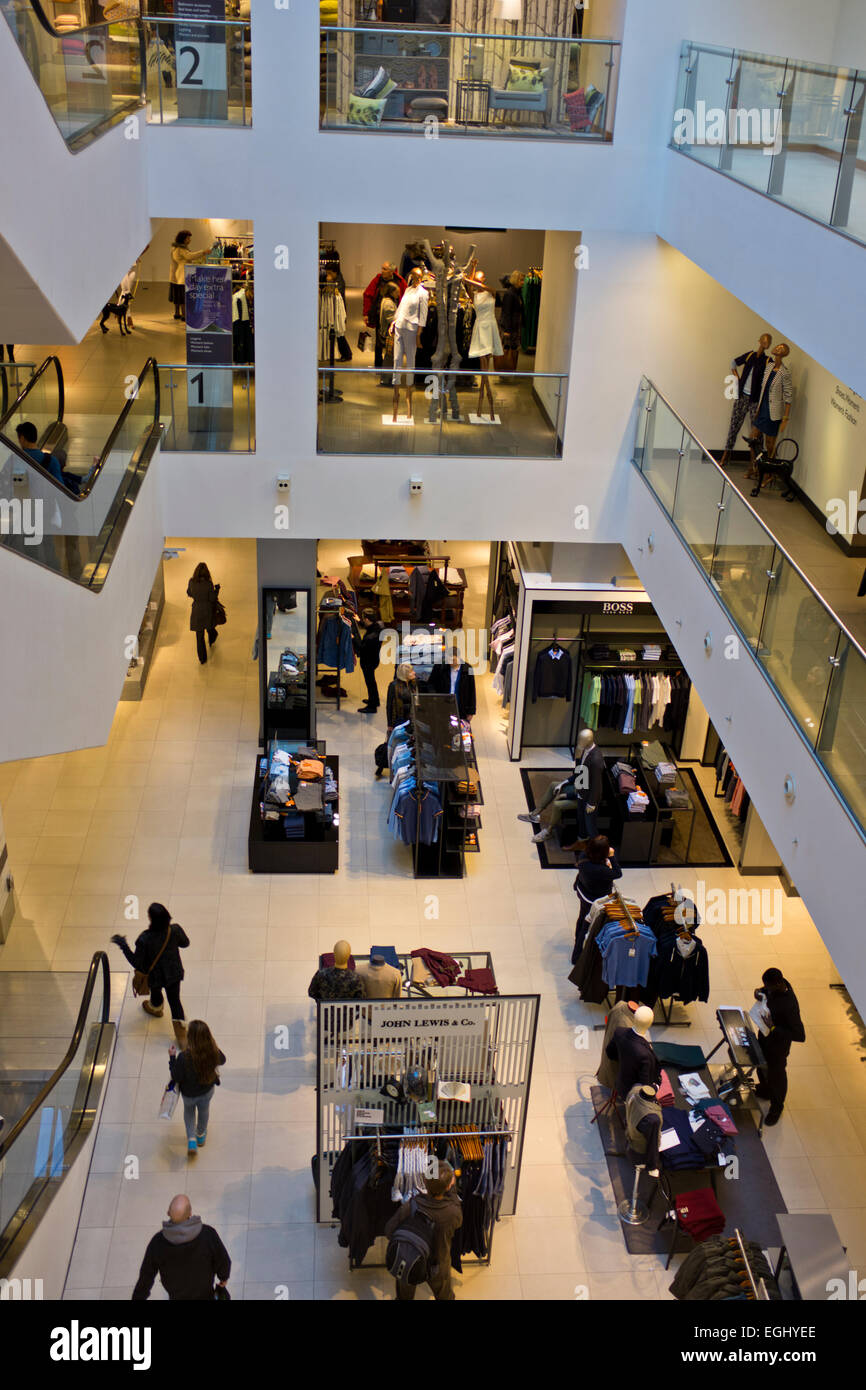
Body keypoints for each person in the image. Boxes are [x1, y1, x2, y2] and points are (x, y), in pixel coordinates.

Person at [385, 1160, 462, 1301]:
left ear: (425, 1183)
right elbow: (457, 1222)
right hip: (438, 1263)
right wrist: (452, 1189)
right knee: (444, 1296)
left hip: (409, 1257)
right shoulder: (452, 1212)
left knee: (404, 1296)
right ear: (449, 1186)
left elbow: (389, 1230)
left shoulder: (413, 1204)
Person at [110, 903, 189, 1042]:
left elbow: (138, 963)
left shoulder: (144, 939)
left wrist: (123, 945)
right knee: (175, 1001)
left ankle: (156, 1008)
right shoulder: (175, 930)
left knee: (156, 991)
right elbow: (185, 943)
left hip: (154, 976)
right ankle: (182, 1036)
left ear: (151, 919)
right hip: (173, 973)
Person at [132, 1194, 230, 1301]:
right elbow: (223, 1260)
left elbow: (145, 1278)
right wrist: (223, 1278)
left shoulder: (158, 1242)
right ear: (190, 1214)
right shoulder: (207, 1234)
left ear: (168, 1213)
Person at [753, 968, 805, 1125]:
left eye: (768, 987)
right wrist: (759, 991)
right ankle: (765, 1089)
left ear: (777, 984)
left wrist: (774, 1027)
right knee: (760, 1065)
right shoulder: (775, 987)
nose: (766, 989)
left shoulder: (790, 1005)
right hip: (765, 1036)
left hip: (777, 1046)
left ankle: (776, 1107)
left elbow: (799, 1036)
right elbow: (765, 992)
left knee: (777, 1076)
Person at [169, 1019, 226, 1157]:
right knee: (204, 1110)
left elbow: (176, 1076)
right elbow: (222, 1060)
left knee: (189, 1112)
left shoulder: (184, 1057)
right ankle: (200, 1134)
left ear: (190, 1038)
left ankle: (192, 1140)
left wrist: (172, 1058)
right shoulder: (212, 1052)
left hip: (188, 1094)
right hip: (206, 1091)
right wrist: (213, 1047)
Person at [720, 331, 772, 468]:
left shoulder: (768, 361)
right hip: (742, 396)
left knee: (756, 433)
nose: (767, 344)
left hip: (755, 400)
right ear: (760, 341)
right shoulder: (750, 355)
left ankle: (756, 463)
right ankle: (725, 455)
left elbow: (769, 380)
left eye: (769, 342)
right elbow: (733, 363)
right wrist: (737, 378)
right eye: (765, 341)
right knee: (734, 425)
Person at [748, 343, 793, 493]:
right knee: (752, 438)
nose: (776, 348)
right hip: (763, 409)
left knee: (770, 444)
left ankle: (768, 474)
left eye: (780, 348)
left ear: (783, 353)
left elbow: (788, 396)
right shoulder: (769, 366)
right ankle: (754, 467)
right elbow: (763, 388)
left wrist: (785, 418)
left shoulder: (785, 373)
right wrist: (758, 408)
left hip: (774, 413)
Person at [571, 835, 622, 963]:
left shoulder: (583, 856)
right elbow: (617, 873)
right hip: (594, 899)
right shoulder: (600, 870)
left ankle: (577, 948)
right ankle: (578, 955)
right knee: (588, 925)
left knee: (582, 918)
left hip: (583, 892)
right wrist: (611, 857)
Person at [464, 261, 502, 421]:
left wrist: (473, 281)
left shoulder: (491, 292)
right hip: (480, 328)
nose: (479, 283)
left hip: (490, 326)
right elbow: (468, 287)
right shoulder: (475, 295)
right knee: (483, 366)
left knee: (486, 365)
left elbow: (487, 288)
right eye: (476, 280)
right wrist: (472, 270)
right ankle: (486, 404)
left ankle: (485, 405)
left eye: (481, 279)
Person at [389, 267, 429, 422]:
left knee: (410, 362)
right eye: (413, 275)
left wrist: (419, 334)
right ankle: (396, 394)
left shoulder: (423, 293)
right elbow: (401, 308)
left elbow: (423, 316)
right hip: (399, 326)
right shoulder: (407, 290)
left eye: (417, 275)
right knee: (396, 360)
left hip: (411, 329)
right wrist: (393, 322)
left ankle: (408, 402)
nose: (415, 278)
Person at [363, 261, 407, 374]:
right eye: (382, 268)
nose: (382, 271)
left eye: (385, 269)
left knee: (392, 342)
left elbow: (404, 298)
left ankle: (390, 367)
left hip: (395, 316)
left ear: (391, 271)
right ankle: (379, 367)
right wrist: (366, 313)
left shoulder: (400, 281)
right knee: (379, 343)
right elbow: (368, 295)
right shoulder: (377, 280)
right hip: (379, 315)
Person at [15, 422, 82, 494]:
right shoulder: (52, 461)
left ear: (22, 438)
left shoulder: (14, 460)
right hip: (46, 503)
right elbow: (60, 490)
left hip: (23, 504)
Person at [169, 229, 214, 322]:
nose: (190, 240)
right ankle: (184, 316)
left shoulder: (175, 248)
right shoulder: (181, 249)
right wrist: (203, 252)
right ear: (183, 239)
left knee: (177, 297)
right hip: (181, 275)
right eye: (188, 238)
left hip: (176, 276)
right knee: (182, 297)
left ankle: (177, 313)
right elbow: (190, 256)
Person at [428, 647, 476, 721]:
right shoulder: (439, 667)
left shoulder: (468, 669)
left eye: (453, 660)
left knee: (460, 729)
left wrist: (471, 711)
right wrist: (435, 698)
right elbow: (430, 684)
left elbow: (472, 690)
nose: (450, 662)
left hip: (461, 705)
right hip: (443, 705)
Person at [187, 561, 220, 665]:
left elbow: (189, 593)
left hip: (196, 610)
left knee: (199, 637)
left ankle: (202, 659)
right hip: (207, 610)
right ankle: (212, 638)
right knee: (210, 627)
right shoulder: (208, 584)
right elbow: (212, 598)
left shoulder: (191, 581)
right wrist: (217, 590)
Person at [355, 607, 384, 714]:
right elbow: (369, 627)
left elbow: (361, 648)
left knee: (370, 682)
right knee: (372, 681)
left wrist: (353, 638)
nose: (363, 621)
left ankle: (372, 707)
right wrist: (359, 621)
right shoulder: (379, 626)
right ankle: (375, 701)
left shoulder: (370, 638)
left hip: (368, 661)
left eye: (364, 619)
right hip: (375, 659)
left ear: (367, 620)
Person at [497, 271, 524, 373]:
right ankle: (504, 369)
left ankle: (510, 369)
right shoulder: (510, 294)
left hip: (515, 326)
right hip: (509, 327)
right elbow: (506, 312)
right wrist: (507, 329)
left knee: (513, 349)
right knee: (507, 348)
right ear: (516, 280)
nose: (523, 282)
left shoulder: (517, 293)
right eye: (521, 280)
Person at [377, 280, 400, 385]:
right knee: (389, 357)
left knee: (389, 356)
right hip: (389, 334)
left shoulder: (386, 301)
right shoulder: (389, 304)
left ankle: (386, 378)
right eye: (396, 292)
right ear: (391, 292)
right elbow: (391, 319)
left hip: (387, 333)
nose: (398, 294)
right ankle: (386, 379)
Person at [386, 662, 417, 731]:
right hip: (400, 720)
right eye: (411, 671)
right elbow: (389, 705)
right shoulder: (394, 685)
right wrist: (390, 724)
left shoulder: (414, 683)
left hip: (412, 718)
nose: (414, 672)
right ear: (405, 674)